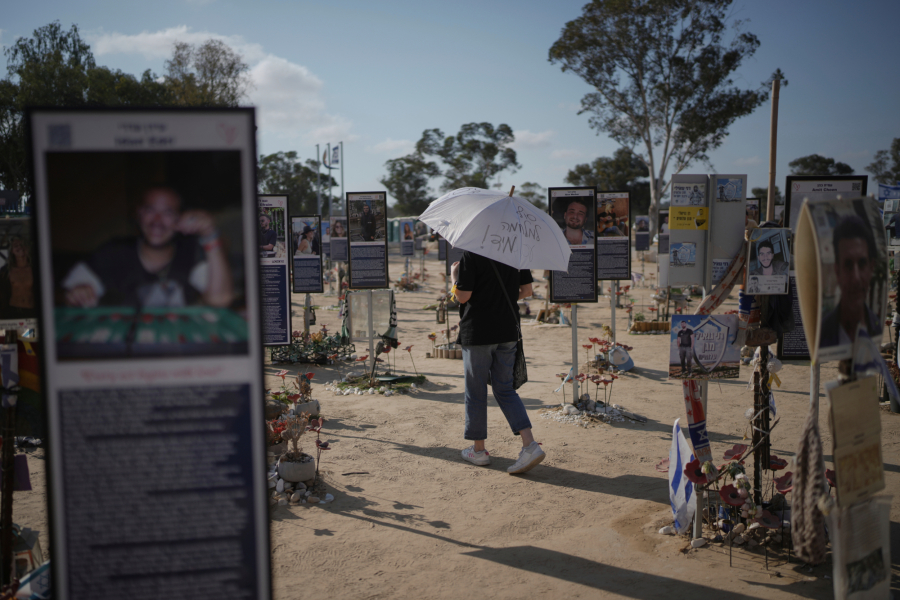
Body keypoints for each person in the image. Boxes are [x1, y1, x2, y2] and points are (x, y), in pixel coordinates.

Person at [450, 252, 545, 474]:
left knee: (476, 391)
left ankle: (479, 450)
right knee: (505, 389)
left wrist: (454, 277)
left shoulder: (472, 254)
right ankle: (530, 445)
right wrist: (500, 298)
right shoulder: (515, 252)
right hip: (507, 329)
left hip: (478, 332)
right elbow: (526, 291)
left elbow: (462, 297)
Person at [63, 186, 233, 309]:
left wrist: (210, 235)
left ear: (179, 219)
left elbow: (219, 300)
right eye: (150, 210)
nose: (157, 221)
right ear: (139, 214)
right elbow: (68, 295)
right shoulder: (114, 251)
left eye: (167, 213)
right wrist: (77, 294)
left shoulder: (190, 252)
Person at [820, 216, 883, 346]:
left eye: (862, 263)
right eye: (848, 265)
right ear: (837, 270)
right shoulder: (822, 334)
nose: (856, 278)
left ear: (871, 267)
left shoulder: (877, 328)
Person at [0, 237, 34, 318]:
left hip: (32, 310)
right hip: (12, 310)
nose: (20, 247)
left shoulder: (35, 269)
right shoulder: (6, 271)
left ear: (27, 248)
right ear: (12, 251)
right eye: (16, 246)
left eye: (22, 245)